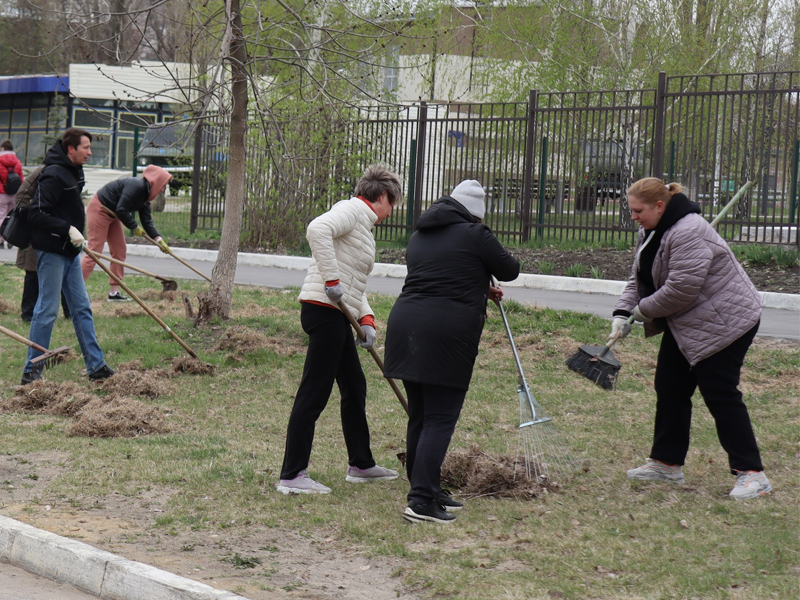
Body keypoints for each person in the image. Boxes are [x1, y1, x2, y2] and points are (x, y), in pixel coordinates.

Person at [612, 177, 770, 500]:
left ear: (659, 205)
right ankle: (667, 464)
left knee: (719, 392)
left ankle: (752, 474)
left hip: (726, 322)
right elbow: (638, 278)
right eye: (631, 211)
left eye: (637, 210)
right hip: (690, 322)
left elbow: (681, 290)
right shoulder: (651, 231)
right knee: (669, 385)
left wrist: (642, 311)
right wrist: (621, 312)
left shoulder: (689, 230)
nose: (633, 217)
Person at [383, 180, 520, 524]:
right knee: (439, 418)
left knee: (420, 414)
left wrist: (477, 285)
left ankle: (426, 486)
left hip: (406, 326)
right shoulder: (476, 234)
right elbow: (510, 269)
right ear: (475, 214)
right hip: (446, 334)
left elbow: (439, 275)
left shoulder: (419, 234)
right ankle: (421, 501)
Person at [276, 164, 403, 495]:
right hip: (324, 310)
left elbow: (354, 283)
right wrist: (331, 281)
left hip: (338, 314)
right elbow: (317, 230)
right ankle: (292, 475)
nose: (392, 211)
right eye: (393, 202)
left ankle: (361, 464)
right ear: (382, 196)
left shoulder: (361, 224)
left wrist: (367, 319)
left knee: (355, 385)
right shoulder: (351, 210)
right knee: (314, 392)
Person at [22, 128, 114, 385]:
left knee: (81, 308)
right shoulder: (53, 174)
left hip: (70, 251)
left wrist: (74, 234)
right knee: (47, 310)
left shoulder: (73, 170)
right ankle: (31, 373)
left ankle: (96, 366)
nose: (90, 152)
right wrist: (67, 228)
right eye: (85, 147)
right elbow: (36, 213)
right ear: (71, 149)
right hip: (52, 252)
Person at [80, 164, 172, 301]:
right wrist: (134, 227)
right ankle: (73, 289)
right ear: (156, 181)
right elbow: (121, 209)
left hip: (113, 214)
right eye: (163, 185)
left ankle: (114, 294)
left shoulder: (146, 196)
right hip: (101, 208)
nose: (162, 189)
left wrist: (159, 240)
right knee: (94, 252)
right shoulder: (137, 186)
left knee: (119, 250)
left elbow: (147, 221)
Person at [13, 164, 70, 321]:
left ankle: (70, 312)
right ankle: (28, 314)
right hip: (37, 230)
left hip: (58, 229)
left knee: (66, 271)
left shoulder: (70, 172)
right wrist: (37, 216)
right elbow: (21, 197)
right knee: (33, 272)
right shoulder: (45, 171)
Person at [0, 139, 24, 249]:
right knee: (11, 217)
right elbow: (21, 179)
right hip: (14, 194)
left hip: (2, 194)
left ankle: (0, 240)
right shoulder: (17, 162)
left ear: (3, 148)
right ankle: (9, 238)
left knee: (1, 216)